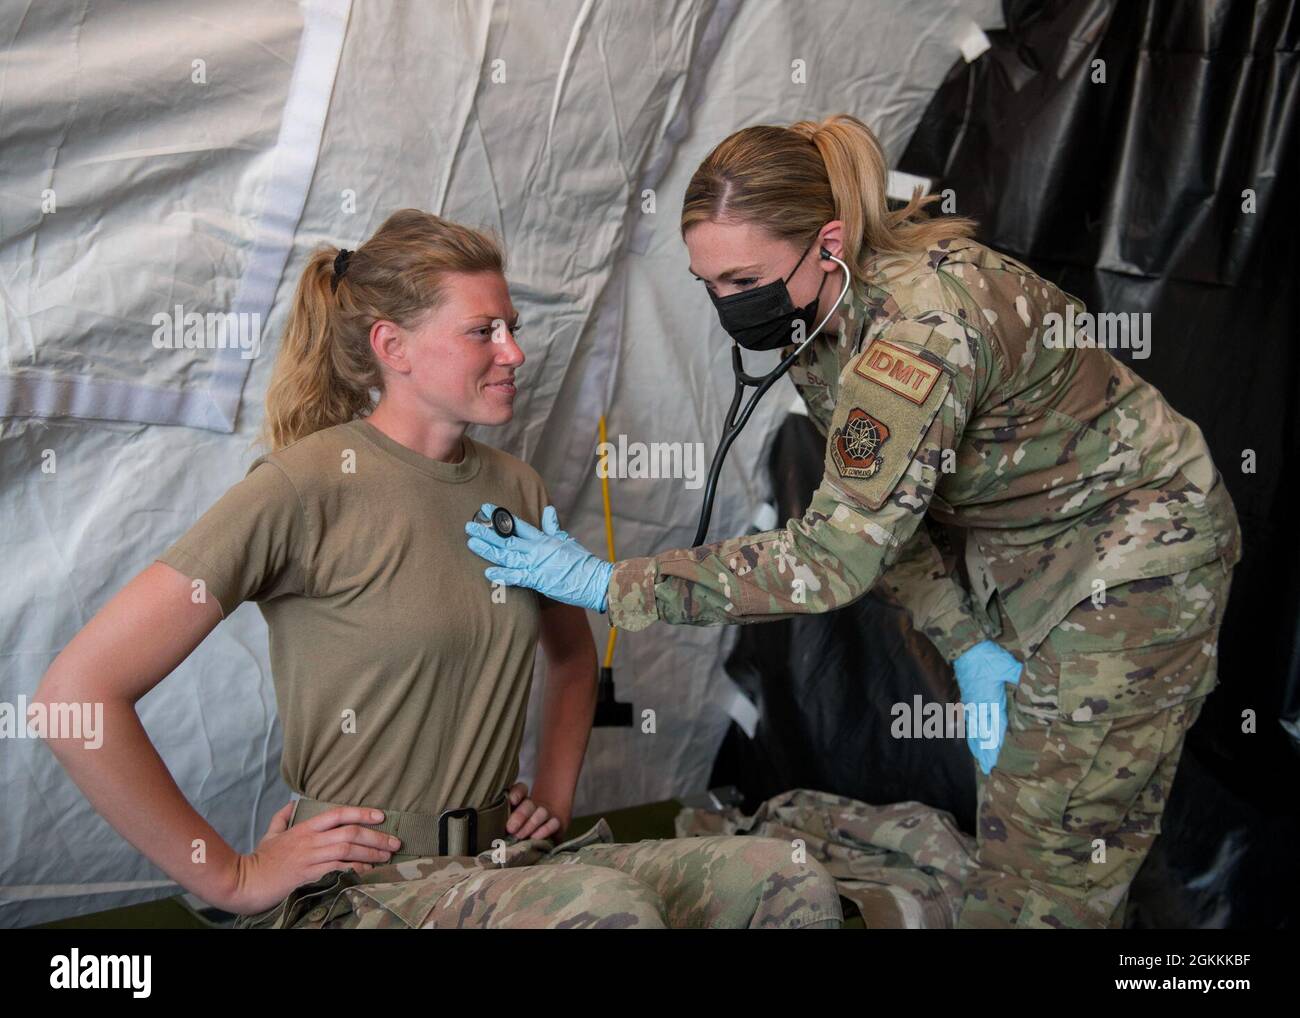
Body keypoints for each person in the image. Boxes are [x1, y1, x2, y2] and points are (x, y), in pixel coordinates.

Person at [465, 114, 1243, 929]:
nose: (727, 305)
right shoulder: (826, 316)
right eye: (709, 284)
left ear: (828, 242)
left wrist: (607, 584)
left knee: (1039, 883)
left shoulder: (915, 338)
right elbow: (890, 525)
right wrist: (969, 642)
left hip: (1138, 556)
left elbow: (836, 556)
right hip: (1034, 558)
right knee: (1058, 839)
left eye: (741, 279)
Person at [33, 209, 842, 930]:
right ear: (394, 347)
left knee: (785, 880)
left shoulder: (513, 486)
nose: (515, 351)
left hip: (500, 871)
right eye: (483, 331)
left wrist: (552, 799)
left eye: (512, 326)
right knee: (608, 913)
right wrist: (237, 876)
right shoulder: (302, 486)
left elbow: (570, 658)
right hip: (365, 890)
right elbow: (76, 696)